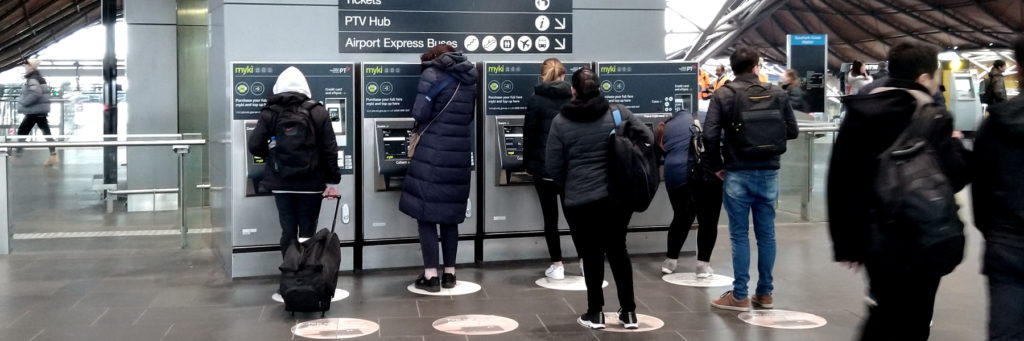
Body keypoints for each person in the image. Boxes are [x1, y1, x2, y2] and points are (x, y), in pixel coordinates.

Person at [828, 42, 969, 340]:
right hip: (922, 232)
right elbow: (954, 176)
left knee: (885, 307)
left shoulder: (864, 108)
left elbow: (842, 178)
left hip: (876, 234)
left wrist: (846, 243)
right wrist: (956, 143)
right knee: (915, 315)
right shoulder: (932, 114)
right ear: (923, 78)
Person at [546, 67, 647, 330]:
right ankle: (629, 313)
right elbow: (646, 138)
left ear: (574, 90)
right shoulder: (617, 113)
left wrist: (568, 183)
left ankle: (596, 313)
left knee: (590, 253)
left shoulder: (561, 121)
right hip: (617, 197)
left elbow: (553, 164)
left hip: (580, 199)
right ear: (599, 87)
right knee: (618, 250)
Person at [704, 46, 799, 311]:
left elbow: (709, 135)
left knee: (739, 235)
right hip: (769, 171)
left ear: (732, 68)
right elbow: (792, 131)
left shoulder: (724, 94)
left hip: (736, 171)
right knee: (767, 235)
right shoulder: (778, 93)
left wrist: (716, 166)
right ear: (756, 66)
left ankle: (740, 294)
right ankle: (765, 293)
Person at [399, 44, 477, 293]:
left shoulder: (431, 75)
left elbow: (420, 112)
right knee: (450, 216)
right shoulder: (469, 80)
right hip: (459, 153)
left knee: (427, 215)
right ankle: (450, 274)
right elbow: (468, 117)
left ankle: (431, 276)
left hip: (433, 152)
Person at [247, 66, 341, 258]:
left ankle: (290, 279)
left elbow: (255, 145)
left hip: (281, 182)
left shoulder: (270, 113)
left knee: (288, 231)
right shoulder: (319, 112)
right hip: (312, 183)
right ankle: (306, 278)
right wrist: (332, 181)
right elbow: (330, 149)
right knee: (307, 231)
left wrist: (273, 156)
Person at [973, 36, 1024, 341]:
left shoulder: (997, 122)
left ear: (1018, 68)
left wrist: (995, 233)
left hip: (1008, 244)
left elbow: (980, 187)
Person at [524, 58, 575, 280]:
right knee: (575, 217)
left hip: (544, 168)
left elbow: (529, 135)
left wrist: (528, 164)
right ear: (563, 76)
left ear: (542, 76)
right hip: (569, 168)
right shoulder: (574, 99)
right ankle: (585, 261)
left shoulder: (535, 100)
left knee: (550, 218)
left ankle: (558, 266)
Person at [656, 107, 722, 277]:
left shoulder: (668, 126)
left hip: (677, 176)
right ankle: (702, 265)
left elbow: (660, 152)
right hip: (708, 175)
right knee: (708, 221)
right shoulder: (710, 119)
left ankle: (670, 261)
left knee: (681, 217)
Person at [16, 58, 58, 166]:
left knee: (22, 131)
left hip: (34, 111)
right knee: (46, 133)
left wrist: (24, 102)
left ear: (31, 67)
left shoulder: (32, 79)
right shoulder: (40, 78)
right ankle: (53, 155)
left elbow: (36, 94)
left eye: (26, 66)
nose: (25, 68)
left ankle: (17, 156)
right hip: (39, 111)